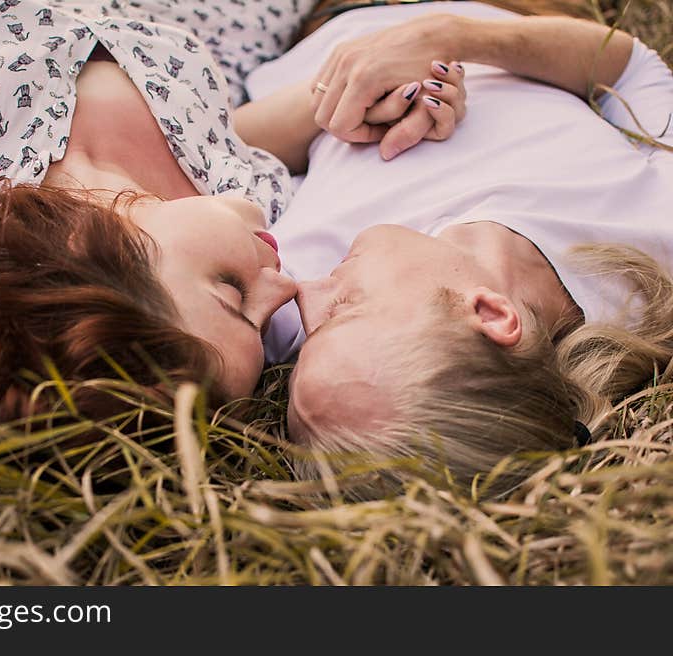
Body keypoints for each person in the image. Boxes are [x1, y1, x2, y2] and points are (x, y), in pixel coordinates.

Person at [0, 0, 460, 420]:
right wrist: (354, 100)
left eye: (232, 292)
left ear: (93, 249)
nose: (285, 288)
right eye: (261, 327)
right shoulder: (259, 210)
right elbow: (226, 130)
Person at [245, 2, 673, 492]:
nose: (305, 293)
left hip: (321, 23)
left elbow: (222, 139)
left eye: (306, 343)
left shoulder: (277, 309)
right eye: (344, 309)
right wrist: (448, 36)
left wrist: (346, 97)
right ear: (490, 313)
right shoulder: (649, 247)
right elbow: (630, 70)